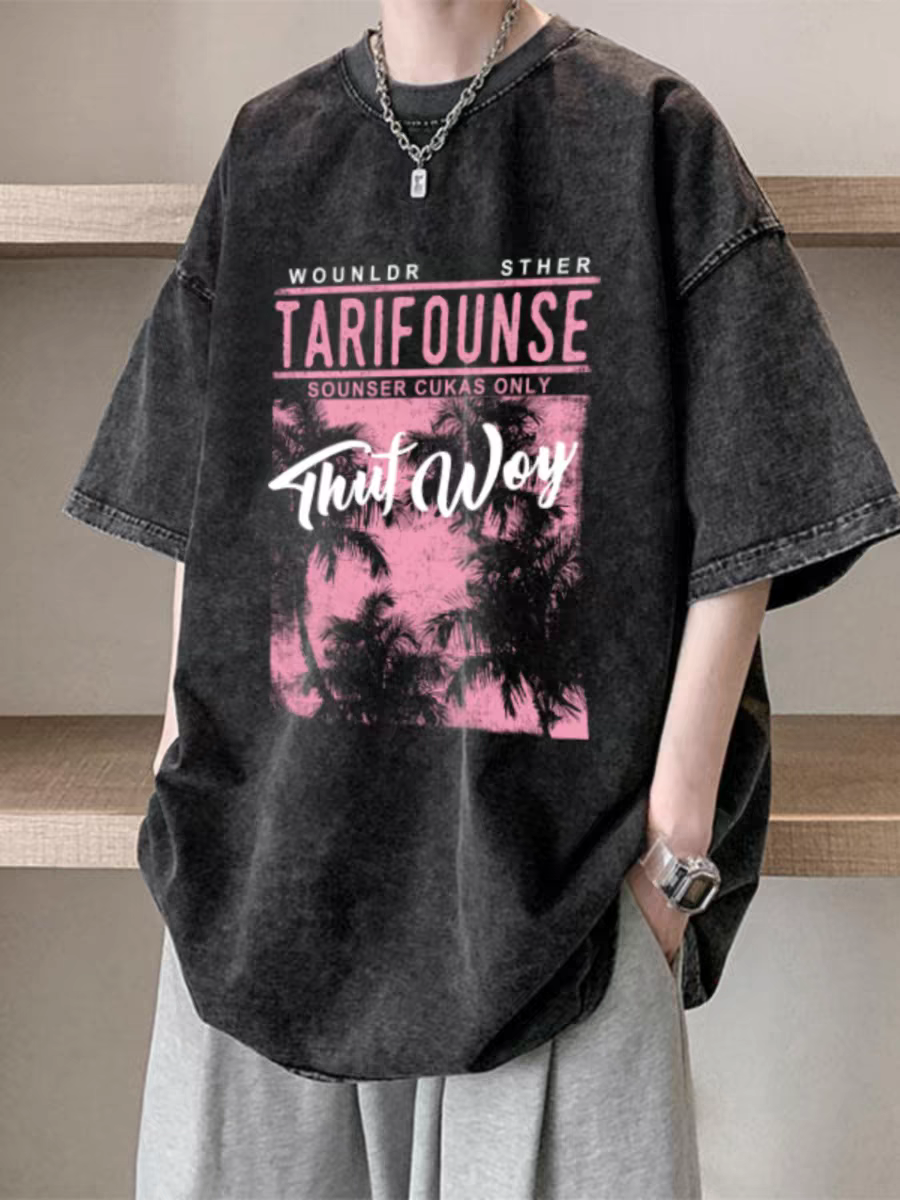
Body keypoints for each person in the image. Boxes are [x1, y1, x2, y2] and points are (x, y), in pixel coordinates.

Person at [61, 2, 900, 1197]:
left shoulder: (647, 133)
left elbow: (758, 496)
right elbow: (203, 503)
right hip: (260, 905)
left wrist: (675, 848)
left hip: (562, 915)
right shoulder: (270, 150)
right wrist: (179, 774)